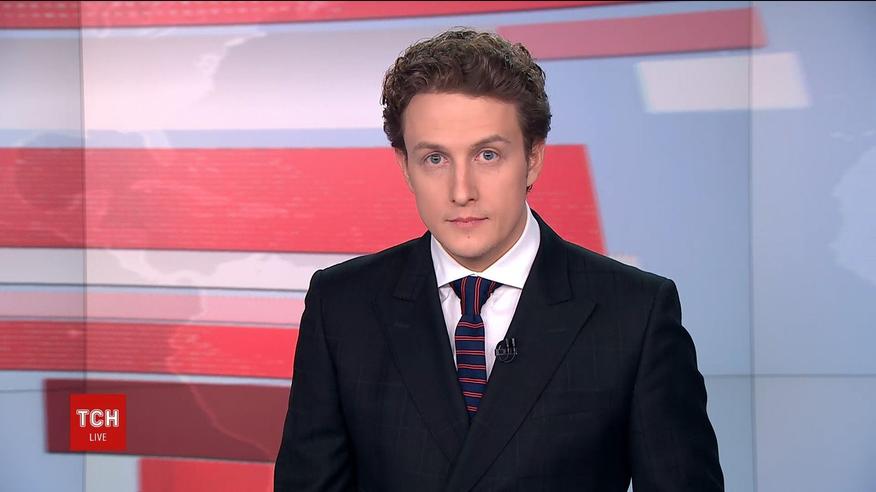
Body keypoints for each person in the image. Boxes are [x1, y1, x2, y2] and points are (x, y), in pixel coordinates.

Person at [274, 28, 723, 491]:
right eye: (435, 159)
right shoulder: (342, 305)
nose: (461, 191)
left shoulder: (634, 312)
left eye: (487, 155)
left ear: (533, 158)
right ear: (404, 166)